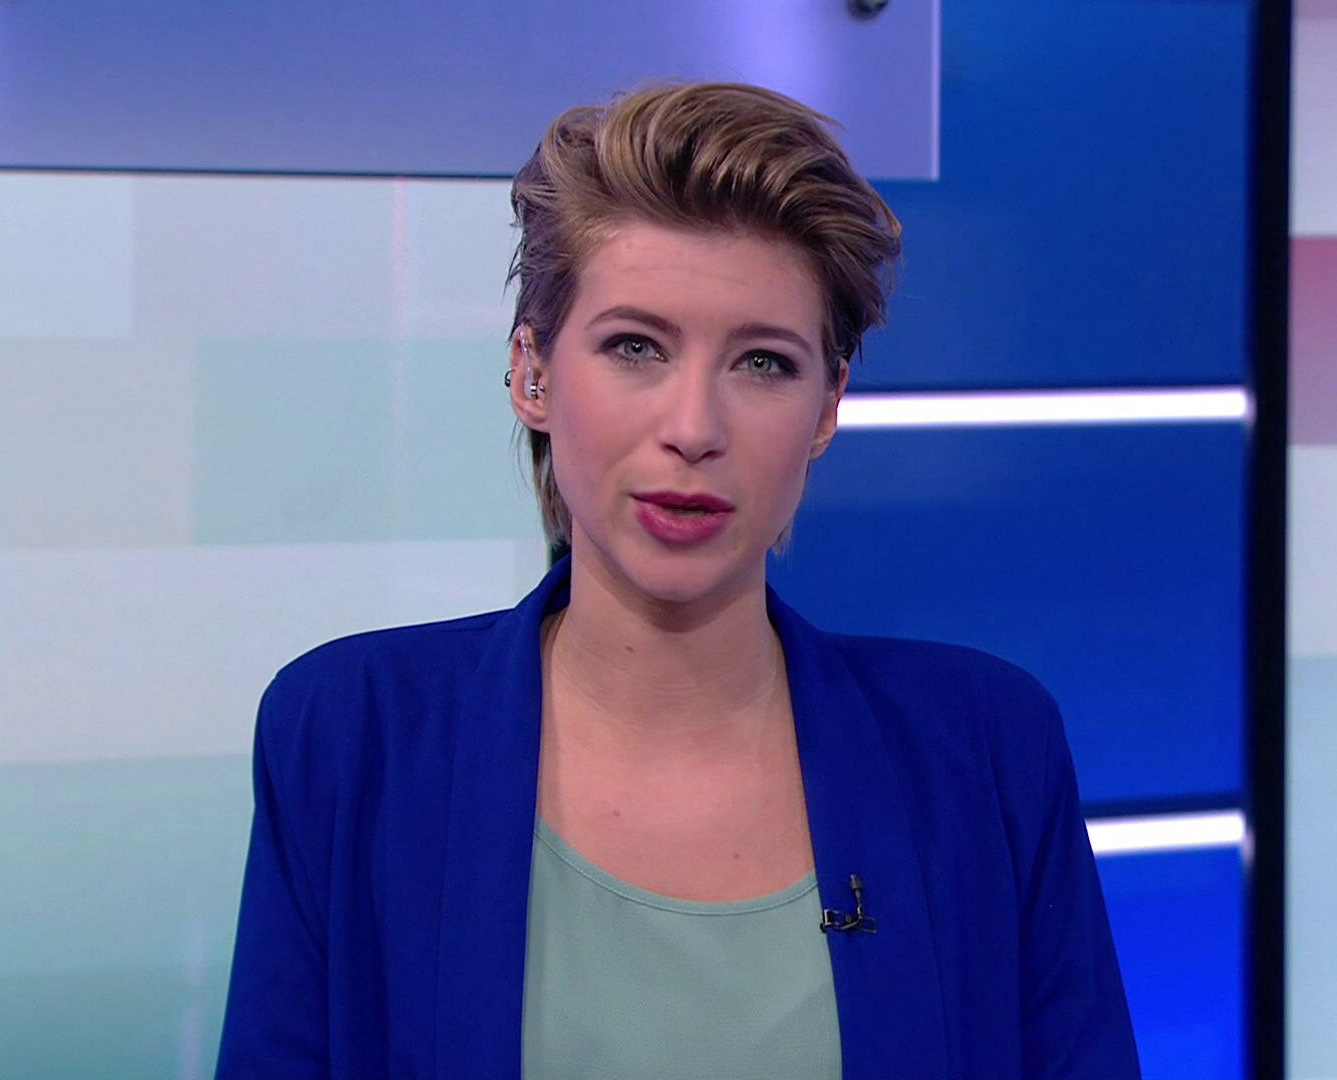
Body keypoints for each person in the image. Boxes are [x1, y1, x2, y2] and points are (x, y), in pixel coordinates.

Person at [215, 82, 1138, 1080]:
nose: (694, 428)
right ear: (531, 371)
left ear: (828, 406)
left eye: (763, 364)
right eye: (635, 347)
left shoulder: (984, 750)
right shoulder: (353, 736)